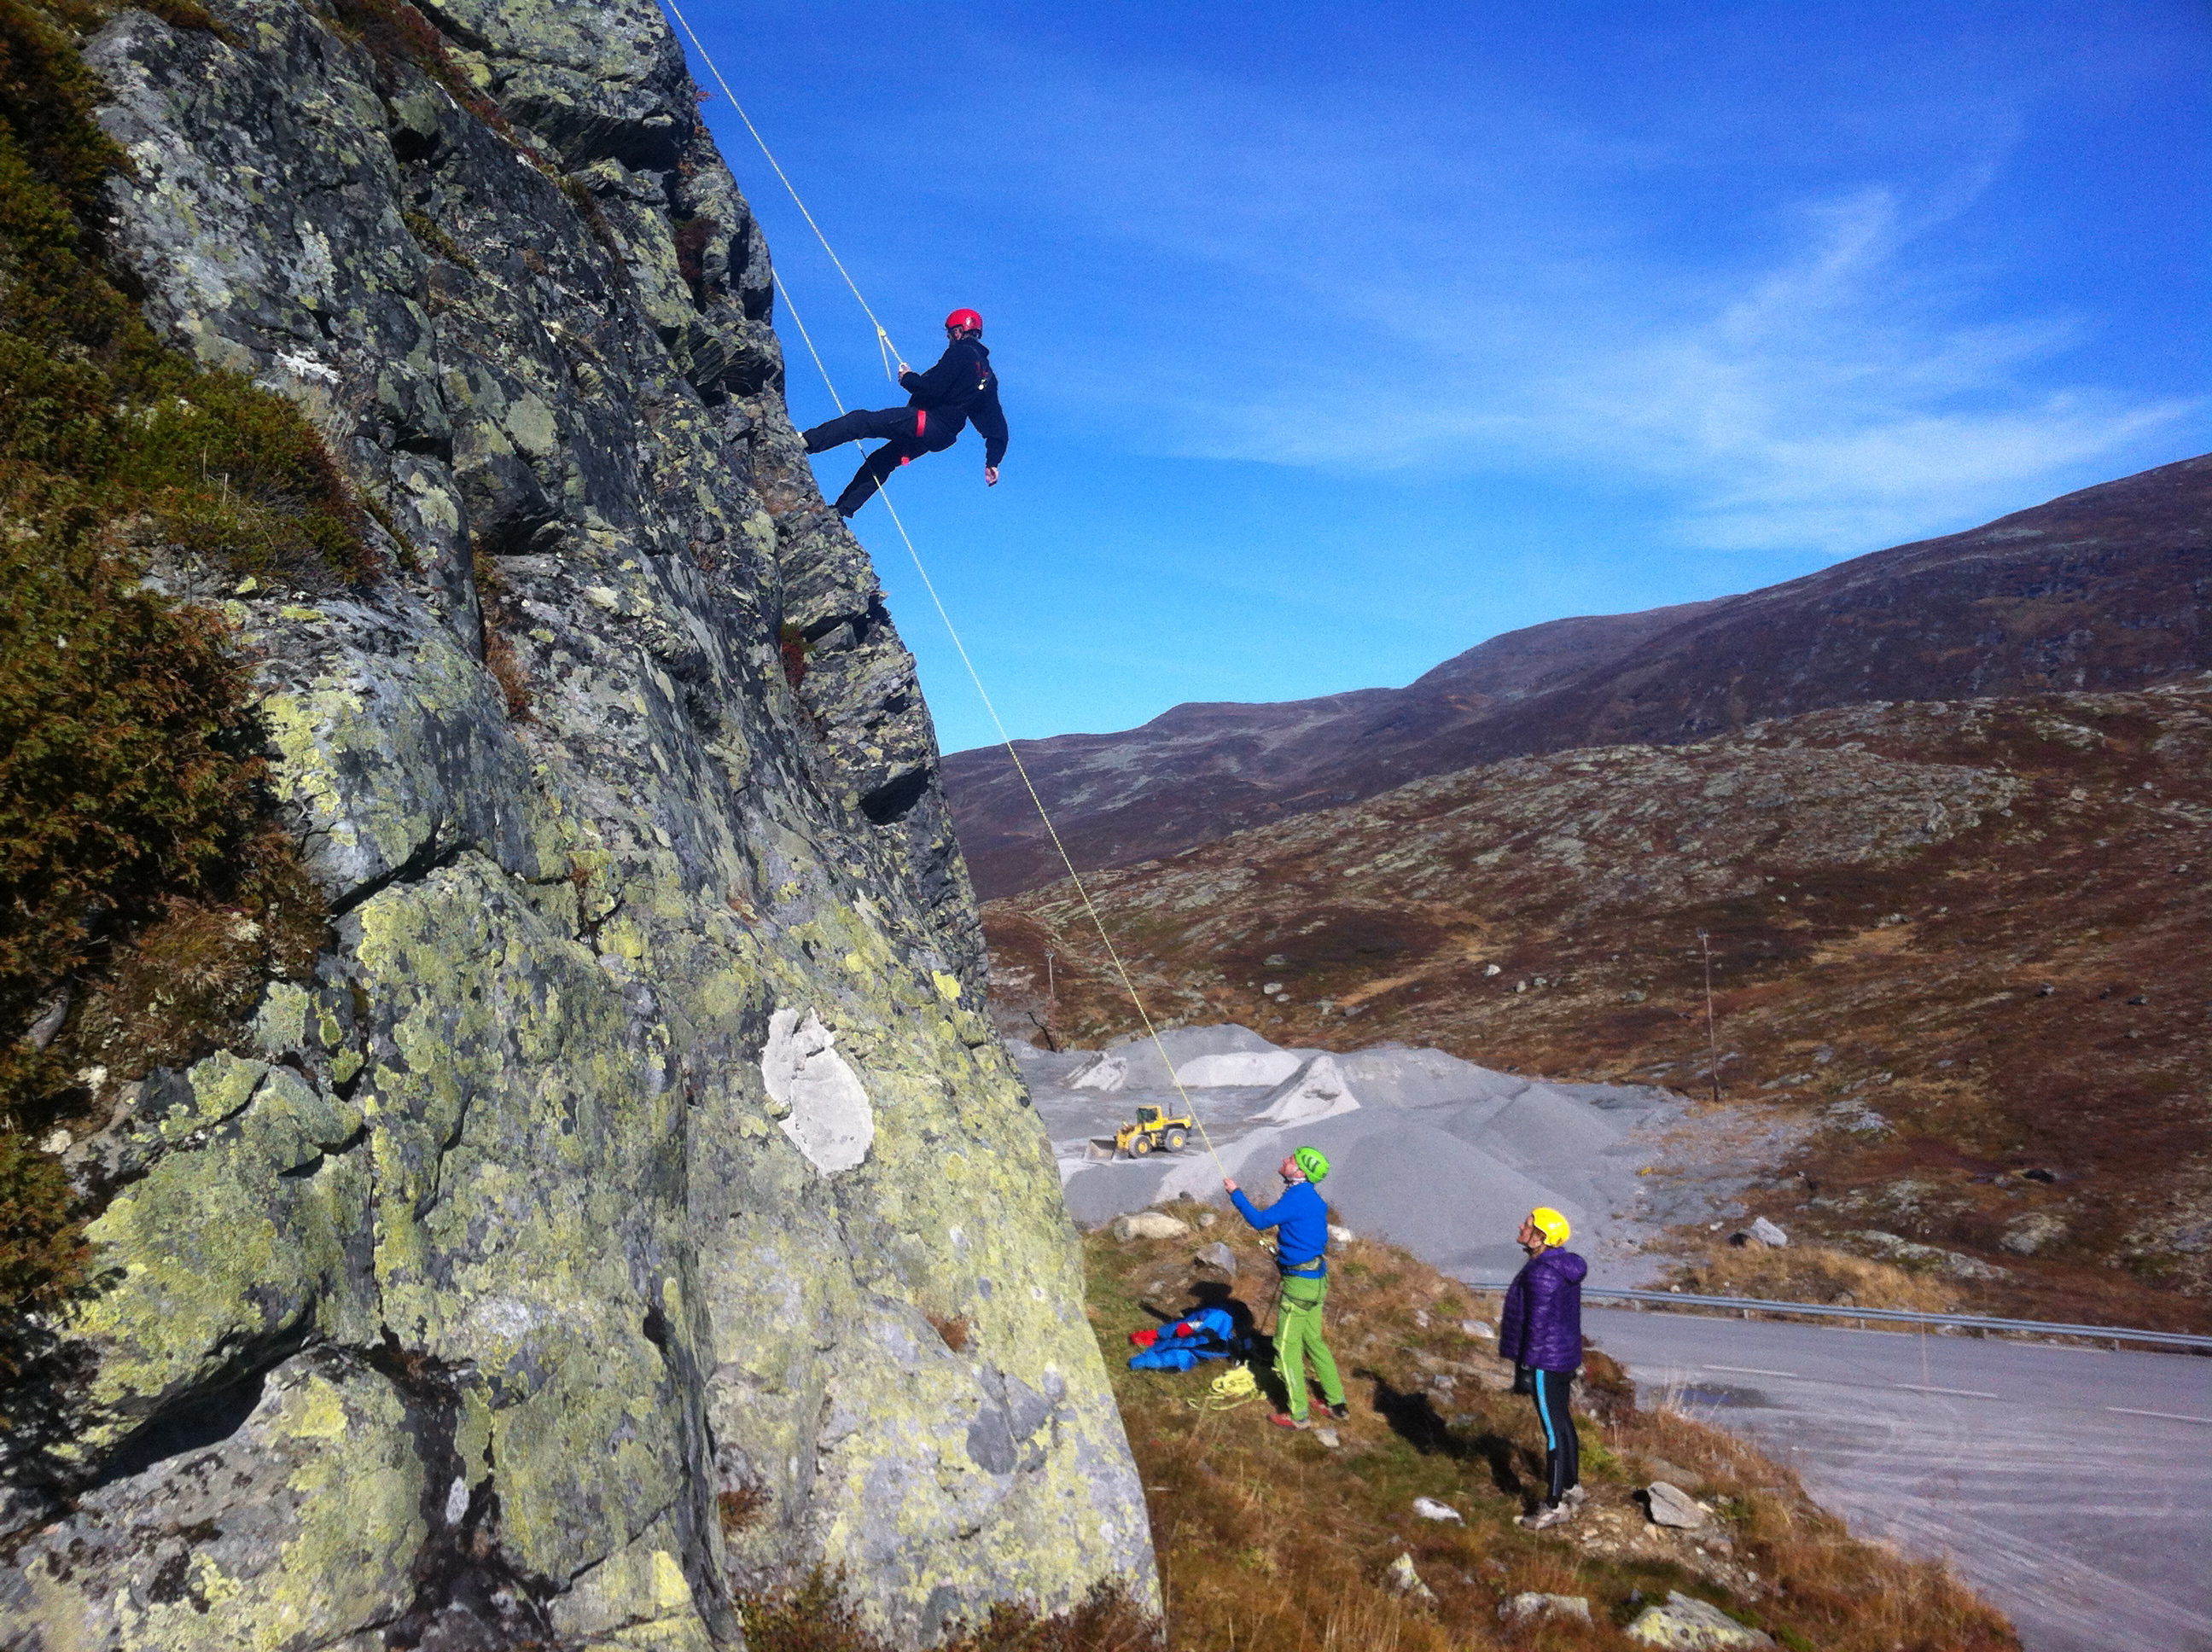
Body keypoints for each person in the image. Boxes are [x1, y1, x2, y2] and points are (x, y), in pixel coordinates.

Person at [800, 308, 1008, 518]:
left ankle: (806, 441)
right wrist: (993, 461)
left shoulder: (961, 353)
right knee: (882, 461)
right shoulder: (987, 376)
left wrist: (908, 378)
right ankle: (840, 511)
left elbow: (932, 388)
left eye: (948, 334)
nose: (948, 339)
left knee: (861, 421)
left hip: (926, 422)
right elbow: (996, 426)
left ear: (958, 331)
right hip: (939, 437)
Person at [1223, 1147, 1348, 1431]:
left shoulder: (1296, 1198)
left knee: (1285, 1346)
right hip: (1317, 1280)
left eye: (1291, 1159)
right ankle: (1336, 1403)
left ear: (1300, 1172)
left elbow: (1258, 1221)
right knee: (1313, 1341)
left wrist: (1235, 1193)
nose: (1284, 1160)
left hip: (1299, 1286)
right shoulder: (1313, 1199)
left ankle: (1298, 1414)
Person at [1499, 1205, 1587, 1529]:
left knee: (1551, 1430)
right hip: (1563, 1356)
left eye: (1528, 1226)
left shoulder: (1541, 1272)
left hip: (1544, 1361)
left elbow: (1537, 1323)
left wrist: (1526, 1364)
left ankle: (1553, 1505)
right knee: (1563, 1422)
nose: (1521, 1228)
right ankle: (1571, 1486)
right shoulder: (1561, 1265)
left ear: (1541, 1238)